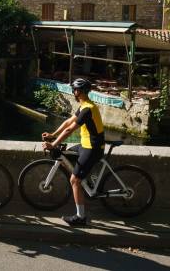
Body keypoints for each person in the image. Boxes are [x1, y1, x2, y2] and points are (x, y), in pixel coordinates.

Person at [42, 78, 105, 227]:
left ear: (80, 92)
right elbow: (67, 122)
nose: (74, 92)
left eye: (75, 90)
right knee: (65, 157)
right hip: (85, 145)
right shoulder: (84, 106)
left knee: (74, 180)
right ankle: (85, 177)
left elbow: (70, 130)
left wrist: (53, 144)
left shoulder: (88, 109)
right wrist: (53, 135)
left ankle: (80, 217)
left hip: (93, 148)